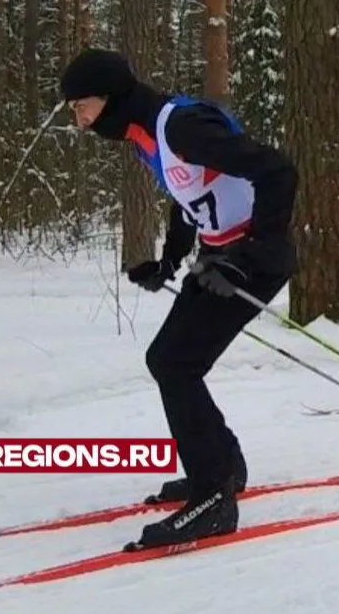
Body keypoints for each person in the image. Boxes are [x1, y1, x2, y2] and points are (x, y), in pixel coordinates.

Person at [58, 48, 297, 548]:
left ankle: (213, 495)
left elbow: (277, 170)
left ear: (110, 97)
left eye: (81, 105)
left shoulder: (181, 125)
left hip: (250, 261)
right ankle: (223, 467)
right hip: (218, 258)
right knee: (169, 360)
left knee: (174, 363)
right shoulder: (149, 134)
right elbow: (187, 197)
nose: (78, 119)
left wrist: (257, 249)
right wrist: (169, 262)